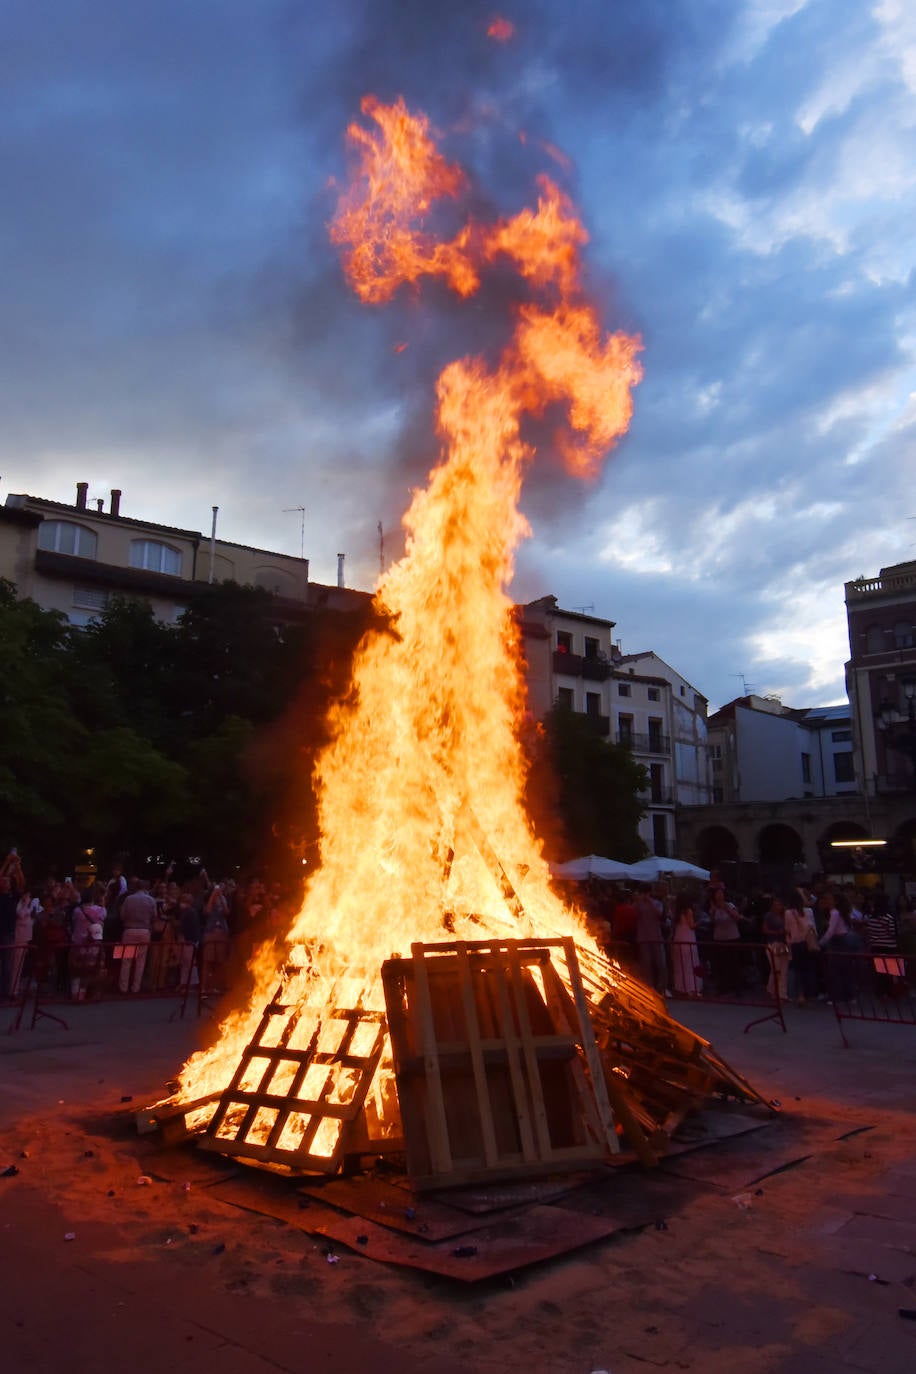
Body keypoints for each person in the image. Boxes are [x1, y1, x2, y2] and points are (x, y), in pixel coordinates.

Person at [118, 880, 157, 993]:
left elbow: (122, 915)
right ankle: (136, 988)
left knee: (126, 960)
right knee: (141, 961)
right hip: (144, 931)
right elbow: (154, 917)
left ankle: (123, 988)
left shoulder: (128, 899)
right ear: (147, 888)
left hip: (129, 931)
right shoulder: (151, 900)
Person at [784, 889, 818, 1005]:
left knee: (797, 970)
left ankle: (800, 995)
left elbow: (787, 930)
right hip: (808, 943)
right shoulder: (809, 911)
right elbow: (813, 927)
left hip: (795, 943)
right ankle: (811, 993)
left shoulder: (788, 913)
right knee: (808, 969)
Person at [709, 886, 744, 996]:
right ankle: (723, 987)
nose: (719, 896)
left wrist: (726, 909)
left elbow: (737, 917)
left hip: (732, 937)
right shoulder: (714, 908)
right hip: (719, 938)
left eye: (721, 893)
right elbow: (712, 922)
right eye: (717, 894)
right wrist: (713, 912)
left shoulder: (730, 906)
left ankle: (737, 987)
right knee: (721, 964)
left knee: (733, 963)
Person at [634, 884, 668, 996]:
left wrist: (650, 901)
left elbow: (659, 914)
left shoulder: (657, 903)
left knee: (660, 963)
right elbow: (634, 914)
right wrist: (638, 902)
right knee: (647, 963)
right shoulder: (639, 904)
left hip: (656, 937)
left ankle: (662, 987)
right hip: (644, 937)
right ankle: (649, 987)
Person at [671, 894, 702, 997]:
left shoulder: (676, 912)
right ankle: (692, 987)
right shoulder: (688, 911)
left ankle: (681, 987)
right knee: (691, 964)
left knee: (681, 965)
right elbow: (691, 925)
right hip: (688, 937)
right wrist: (700, 922)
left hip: (679, 938)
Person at [760, 896, 789, 1003]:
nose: (778, 906)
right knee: (776, 969)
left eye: (780, 904)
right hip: (773, 943)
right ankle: (776, 992)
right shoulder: (769, 916)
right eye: (776, 904)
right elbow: (764, 929)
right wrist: (776, 932)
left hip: (783, 944)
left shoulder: (786, 915)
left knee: (783, 969)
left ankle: (780, 992)